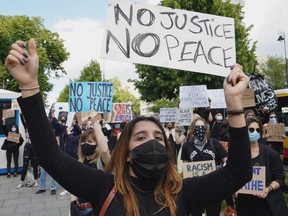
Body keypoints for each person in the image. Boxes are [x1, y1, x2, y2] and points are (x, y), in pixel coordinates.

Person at [6, 39, 252, 216]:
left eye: (158, 137)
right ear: (127, 151)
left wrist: (233, 103)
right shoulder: (103, 188)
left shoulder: (184, 193)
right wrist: (30, 87)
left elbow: (238, 173)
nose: (152, 142)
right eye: (141, 136)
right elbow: (51, 157)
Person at [235, 117, 288, 216]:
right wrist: (236, 191)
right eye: (251, 130)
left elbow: (280, 178)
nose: (255, 132)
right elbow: (233, 176)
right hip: (245, 205)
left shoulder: (271, 154)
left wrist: (268, 189)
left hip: (268, 205)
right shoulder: (238, 155)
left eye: (257, 130)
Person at [181, 118, 227, 216]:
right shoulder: (187, 145)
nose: (200, 129)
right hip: (195, 188)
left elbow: (225, 160)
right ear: (193, 129)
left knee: (213, 212)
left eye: (202, 127)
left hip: (213, 186)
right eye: (197, 127)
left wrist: (223, 171)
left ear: (206, 129)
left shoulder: (214, 143)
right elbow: (185, 165)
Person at [70, 111, 110, 215]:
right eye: (83, 141)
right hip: (79, 209)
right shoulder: (80, 162)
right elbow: (74, 189)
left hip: (96, 210)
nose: (85, 144)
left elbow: (105, 150)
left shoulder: (102, 162)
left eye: (90, 141)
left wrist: (95, 122)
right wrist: (71, 210)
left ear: (97, 145)